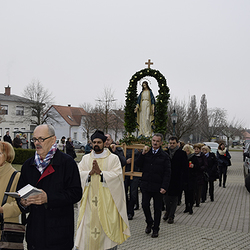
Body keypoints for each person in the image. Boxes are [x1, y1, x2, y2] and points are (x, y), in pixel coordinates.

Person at [16, 124, 82, 250]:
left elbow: (76, 193)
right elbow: (20, 193)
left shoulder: (67, 163)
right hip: (34, 235)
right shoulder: (27, 165)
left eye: (41, 139)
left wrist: (48, 198)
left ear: (53, 140)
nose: (37, 143)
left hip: (59, 235)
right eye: (35, 139)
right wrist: (23, 202)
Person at [75, 130, 130, 250]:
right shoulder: (85, 159)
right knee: (87, 233)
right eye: (94, 142)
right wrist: (88, 174)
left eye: (99, 142)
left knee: (107, 234)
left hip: (107, 203)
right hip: (89, 204)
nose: (96, 144)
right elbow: (78, 175)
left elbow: (117, 177)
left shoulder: (113, 159)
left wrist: (101, 174)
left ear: (104, 143)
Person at [135, 133, 171, 238]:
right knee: (145, 205)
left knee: (157, 208)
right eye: (153, 141)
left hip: (158, 186)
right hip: (146, 185)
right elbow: (138, 164)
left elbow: (167, 173)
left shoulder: (164, 156)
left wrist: (164, 186)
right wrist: (142, 154)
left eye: (157, 141)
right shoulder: (147, 153)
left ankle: (156, 228)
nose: (155, 143)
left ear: (161, 143)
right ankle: (149, 222)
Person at [163, 136, 189, 224]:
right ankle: (167, 211)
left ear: (177, 143)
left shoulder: (181, 153)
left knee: (174, 199)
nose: (172, 145)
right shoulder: (165, 153)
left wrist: (184, 180)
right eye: (170, 143)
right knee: (166, 198)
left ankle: (171, 216)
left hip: (177, 179)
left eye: (173, 143)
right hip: (166, 179)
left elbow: (185, 168)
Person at [0, 141, 21, 225]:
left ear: (7, 156)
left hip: (6, 227)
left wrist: (3, 210)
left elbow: (21, 204)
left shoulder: (16, 176)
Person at [182, 144, 199, 214]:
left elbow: (198, 167)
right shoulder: (183, 157)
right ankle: (186, 207)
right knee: (186, 193)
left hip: (192, 178)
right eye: (185, 150)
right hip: (185, 177)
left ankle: (191, 207)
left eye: (188, 150)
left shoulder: (194, 157)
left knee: (191, 193)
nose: (187, 152)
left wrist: (194, 166)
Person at [124, 148, 140, 220]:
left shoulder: (137, 149)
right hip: (125, 173)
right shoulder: (123, 149)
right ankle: (126, 211)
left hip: (135, 173)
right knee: (124, 194)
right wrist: (125, 162)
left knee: (133, 194)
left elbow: (141, 161)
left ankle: (130, 212)